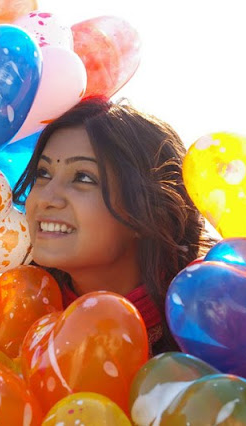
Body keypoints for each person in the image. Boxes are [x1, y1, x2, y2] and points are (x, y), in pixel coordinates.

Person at [13, 97, 217, 355]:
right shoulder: (12, 310)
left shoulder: (210, 324)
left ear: (145, 209)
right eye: (43, 174)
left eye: (83, 177)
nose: (45, 198)